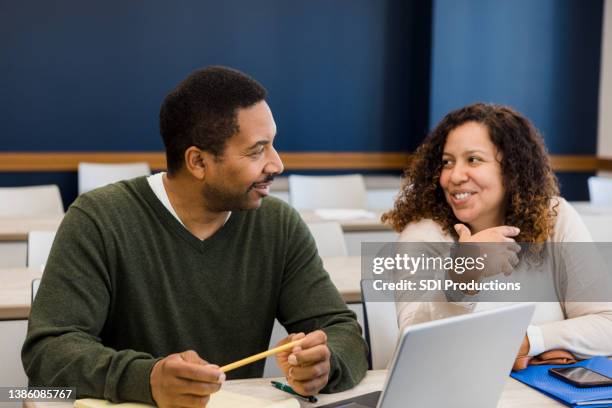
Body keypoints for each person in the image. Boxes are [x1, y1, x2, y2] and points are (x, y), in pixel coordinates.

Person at [22, 66, 368, 406]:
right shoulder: (100, 219)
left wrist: (325, 363)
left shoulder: (278, 226)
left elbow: (342, 330)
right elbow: (48, 351)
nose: (277, 164)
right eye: (256, 150)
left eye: (273, 145)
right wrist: (147, 379)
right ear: (198, 162)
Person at [382, 102, 612, 370]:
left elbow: (606, 322)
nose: (454, 176)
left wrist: (528, 342)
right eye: (447, 162)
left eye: (473, 160)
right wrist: (462, 276)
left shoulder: (555, 216)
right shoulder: (422, 235)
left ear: (511, 169)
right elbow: (416, 349)